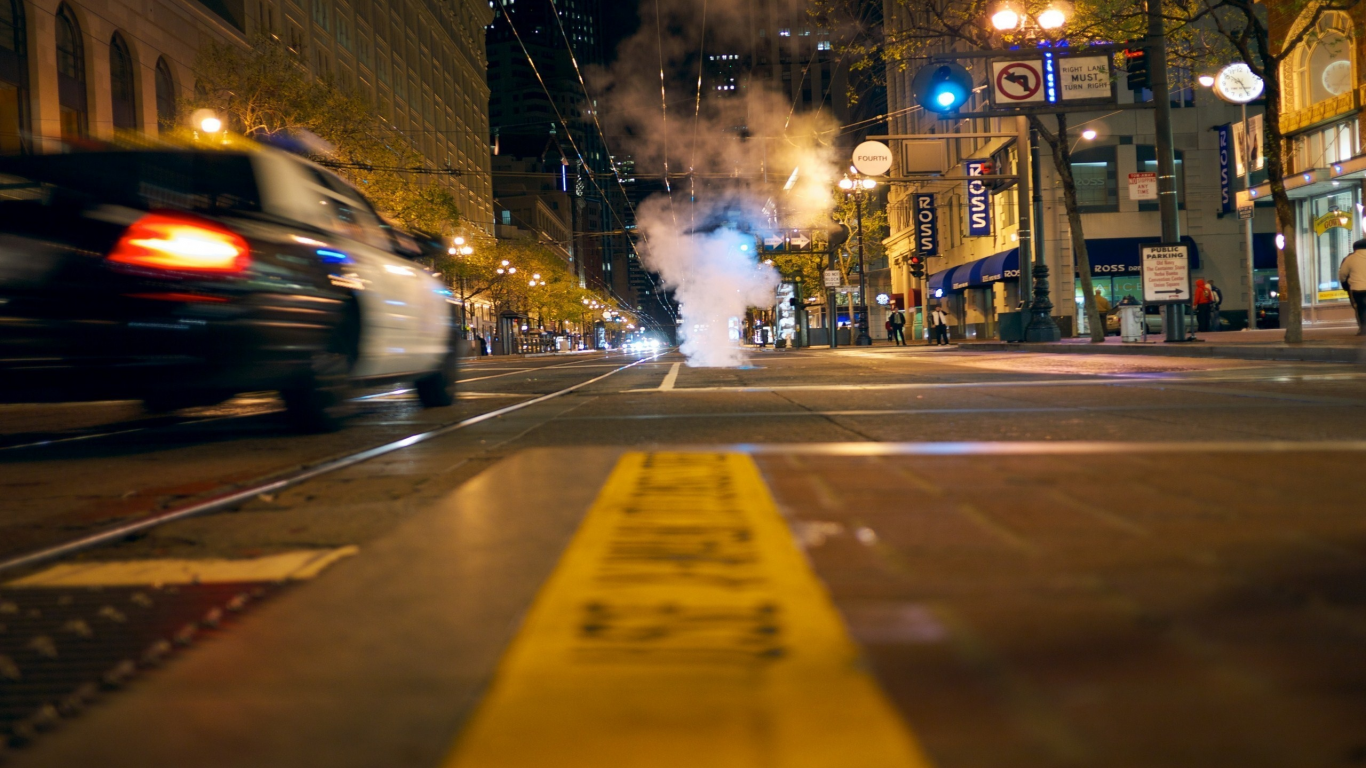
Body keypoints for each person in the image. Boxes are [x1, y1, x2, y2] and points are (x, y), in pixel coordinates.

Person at [1340, 239, 1366, 335]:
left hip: (1357, 289)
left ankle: (1363, 328)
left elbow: (1342, 274)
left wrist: (1344, 283)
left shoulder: (1350, 258)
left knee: (1361, 308)